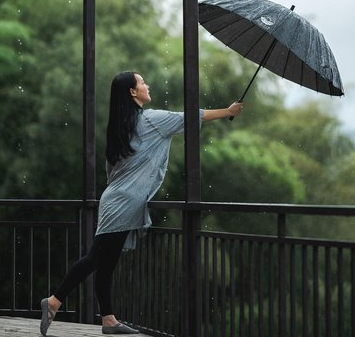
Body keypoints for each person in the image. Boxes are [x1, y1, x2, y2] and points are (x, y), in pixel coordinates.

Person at [40, 70, 244, 335]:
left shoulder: (122, 125)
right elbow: (192, 116)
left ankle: (109, 320)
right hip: (123, 203)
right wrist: (228, 111)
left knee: (105, 263)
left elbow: (112, 169)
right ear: (132, 93)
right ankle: (54, 301)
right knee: (95, 258)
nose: (147, 85)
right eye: (142, 82)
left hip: (115, 199)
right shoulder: (151, 120)